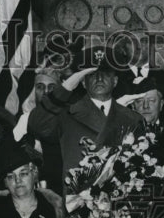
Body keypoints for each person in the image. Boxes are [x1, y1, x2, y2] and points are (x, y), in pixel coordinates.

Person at [27, 46, 144, 181]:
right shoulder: (66, 115)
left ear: (115, 81)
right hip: (77, 198)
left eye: (105, 73)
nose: (99, 78)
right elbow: (37, 125)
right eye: (92, 74)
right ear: (82, 81)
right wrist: (66, 88)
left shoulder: (133, 119)